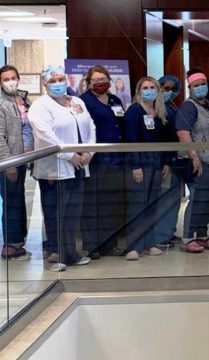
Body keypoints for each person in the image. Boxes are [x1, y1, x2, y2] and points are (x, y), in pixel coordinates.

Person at [28, 65, 95, 271]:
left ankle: (72, 254)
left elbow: (90, 126)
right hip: (54, 169)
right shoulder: (40, 106)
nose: (58, 84)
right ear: (45, 84)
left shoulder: (76, 101)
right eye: (52, 81)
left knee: (73, 212)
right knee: (55, 213)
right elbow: (45, 135)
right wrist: (69, 155)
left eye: (60, 79)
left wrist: (89, 152)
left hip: (79, 166)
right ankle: (57, 255)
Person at [176, 69, 209, 254]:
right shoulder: (188, 107)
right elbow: (183, 133)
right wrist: (194, 156)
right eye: (196, 86)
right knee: (198, 199)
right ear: (189, 88)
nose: (200, 88)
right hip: (200, 160)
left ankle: (205, 236)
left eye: (203, 84)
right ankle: (188, 237)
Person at [79, 65, 126, 259]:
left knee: (112, 203)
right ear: (88, 83)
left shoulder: (115, 99)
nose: (101, 83)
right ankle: (92, 245)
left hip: (116, 159)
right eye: (96, 80)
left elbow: (120, 123)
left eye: (104, 79)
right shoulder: (83, 102)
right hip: (95, 160)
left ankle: (110, 244)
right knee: (93, 204)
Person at [123, 76, 172, 261]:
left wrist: (166, 162)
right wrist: (135, 165)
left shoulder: (160, 111)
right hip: (140, 164)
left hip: (157, 163)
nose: (149, 90)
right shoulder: (134, 111)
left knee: (152, 204)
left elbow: (165, 140)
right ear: (139, 91)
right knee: (138, 204)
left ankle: (149, 242)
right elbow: (130, 139)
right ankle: (133, 245)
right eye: (145, 87)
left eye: (152, 87)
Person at [0, 65, 32, 260]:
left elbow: (28, 126)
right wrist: (8, 164)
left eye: (13, 77)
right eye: (6, 79)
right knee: (11, 203)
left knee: (18, 201)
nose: (10, 81)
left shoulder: (23, 99)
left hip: (22, 159)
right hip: (8, 162)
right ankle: (10, 245)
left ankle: (18, 242)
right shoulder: (1, 103)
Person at [155, 74, 183, 248]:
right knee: (164, 199)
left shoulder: (173, 107)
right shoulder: (155, 109)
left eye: (173, 89)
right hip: (163, 162)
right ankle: (161, 236)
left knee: (174, 199)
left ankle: (169, 232)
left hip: (175, 160)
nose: (169, 92)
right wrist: (165, 161)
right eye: (165, 88)